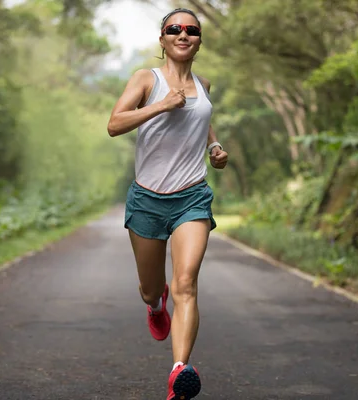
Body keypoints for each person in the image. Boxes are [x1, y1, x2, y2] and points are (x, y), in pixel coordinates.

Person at [106, 7, 228, 400]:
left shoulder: (204, 84)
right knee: (150, 287)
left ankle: (180, 372)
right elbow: (114, 124)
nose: (183, 34)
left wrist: (214, 146)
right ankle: (154, 304)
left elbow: (201, 116)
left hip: (192, 196)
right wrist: (160, 105)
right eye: (174, 29)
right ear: (162, 39)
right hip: (147, 199)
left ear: (198, 40)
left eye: (191, 30)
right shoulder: (146, 78)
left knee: (187, 282)